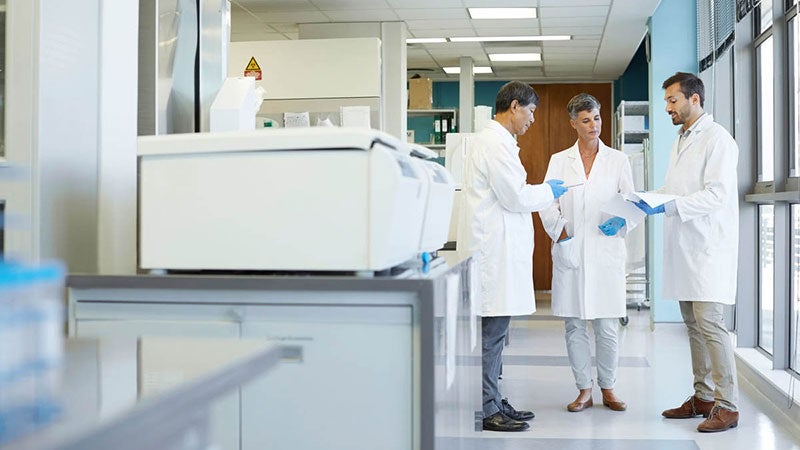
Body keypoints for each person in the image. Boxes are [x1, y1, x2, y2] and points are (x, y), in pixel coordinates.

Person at [458, 80, 567, 432]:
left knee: (498, 332)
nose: (533, 120)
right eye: (532, 111)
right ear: (515, 106)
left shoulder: (499, 142)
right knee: (493, 334)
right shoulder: (493, 143)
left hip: (498, 252)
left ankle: (495, 398)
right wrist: (548, 191)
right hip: (493, 255)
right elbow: (515, 198)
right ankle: (489, 408)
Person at [634, 72, 740, 433]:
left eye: (672, 100)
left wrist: (669, 206)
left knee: (711, 325)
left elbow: (716, 195)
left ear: (694, 99)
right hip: (685, 248)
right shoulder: (682, 139)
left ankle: (728, 406)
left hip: (707, 248)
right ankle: (703, 397)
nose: (667, 107)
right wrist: (647, 200)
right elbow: (674, 187)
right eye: (667, 101)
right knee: (693, 326)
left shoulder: (718, 139)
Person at [539, 93, 634, 414]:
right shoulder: (558, 160)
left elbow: (630, 200)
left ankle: (608, 387)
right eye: (586, 120)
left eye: (596, 118)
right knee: (575, 326)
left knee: (608, 325)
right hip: (573, 252)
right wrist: (562, 230)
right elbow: (546, 202)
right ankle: (583, 390)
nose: (593, 125)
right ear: (573, 124)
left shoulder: (618, 160)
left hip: (606, 251)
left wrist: (623, 219)